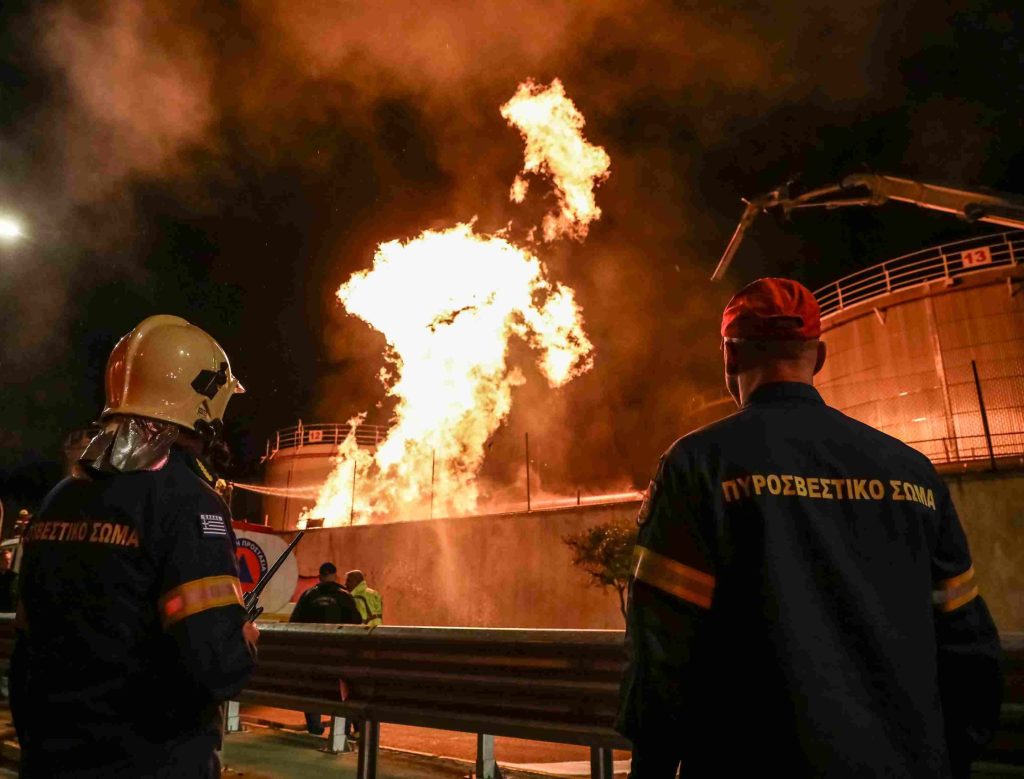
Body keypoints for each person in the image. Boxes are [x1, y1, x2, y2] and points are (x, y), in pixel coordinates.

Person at [617, 278, 1003, 778]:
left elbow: (663, 650)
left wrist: (651, 767)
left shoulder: (699, 466)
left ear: (730, 358)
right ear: (818, 357)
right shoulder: (913, 473)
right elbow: (968, 646)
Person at [11, 315, 258, 779]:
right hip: (148, 760)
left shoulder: (60, 497)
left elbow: (29, 640)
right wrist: (242, 641)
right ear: (203, 404)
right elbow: (214, 665)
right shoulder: (188, 501)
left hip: (49, 757)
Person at [290, 561, 363, 735]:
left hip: (312, 661)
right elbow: (357, 623)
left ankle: (314, 728)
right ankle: (340, 731)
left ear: (320, 576)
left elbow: (293, 624)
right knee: (341, 689)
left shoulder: (307, 596)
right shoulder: (344, 596)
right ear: (335, 576)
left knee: (311, 688)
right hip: (337, 660)